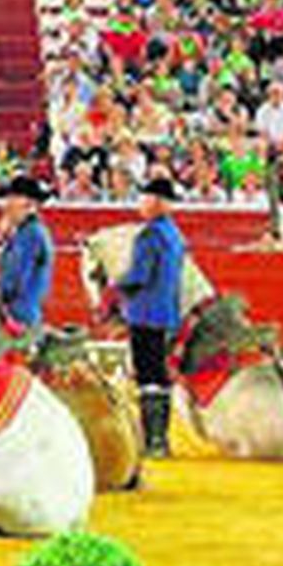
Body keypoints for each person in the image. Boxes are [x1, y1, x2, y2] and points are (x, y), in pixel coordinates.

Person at [104, 177, 186, 459]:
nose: (141, 203)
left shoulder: (150, 235)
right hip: (166, 313)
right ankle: (159, 438)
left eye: (146, 198)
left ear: (158, 202)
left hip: (145, 313)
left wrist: (116, 285)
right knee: (160, 377)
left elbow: (140, 275)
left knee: (148, 375)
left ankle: (153, 441)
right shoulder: (174, 235)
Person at [0, 175, 55, 360]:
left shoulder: (30, 235)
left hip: (18, 320)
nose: (7, 204)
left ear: (29, 204)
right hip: (23, 315)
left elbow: (12, 281)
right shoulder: (27, 232)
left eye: (13, 198)